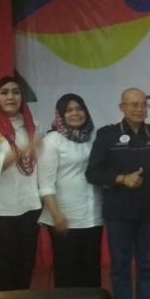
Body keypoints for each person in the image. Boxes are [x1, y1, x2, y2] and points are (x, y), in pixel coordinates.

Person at [86, 88, 150, 299]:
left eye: (143, 104)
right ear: (121, 107)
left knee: (147, 266)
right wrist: (122, 179)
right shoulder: (107, 135)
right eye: (133, 104)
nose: (139, 108)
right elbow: (93, 173)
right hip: (119, 213)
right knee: (120, 267)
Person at [37, 93, 103, 288]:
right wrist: (56, 215)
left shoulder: (93, 137)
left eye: (79, 109)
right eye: (69, 110)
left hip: (93, 216)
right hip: (65, 217)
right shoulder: (52, 140)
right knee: (68, 272)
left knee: (91, 270)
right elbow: (45, 184)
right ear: (60, 115)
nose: (75, 113)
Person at [0, 76, 41, 291]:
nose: (10, 97)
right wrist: (23, 151)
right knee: (3, 266)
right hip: (2, 210)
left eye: (16, 92)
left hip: (30, 206)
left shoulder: (31, 126)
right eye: (4, 92)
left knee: (25, 264)